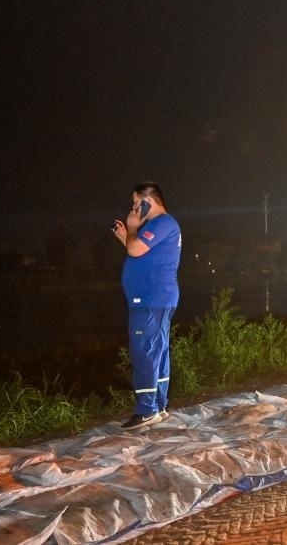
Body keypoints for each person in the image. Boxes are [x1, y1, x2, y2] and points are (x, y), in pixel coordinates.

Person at [112, 181, 182, 430]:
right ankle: (159, 407)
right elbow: (139, 252)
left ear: (148, 201)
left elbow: (134, 249)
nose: (133, 208)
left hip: (151, 299)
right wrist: (127, 237)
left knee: (144, 352)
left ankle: (146, 410)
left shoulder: (161, 223)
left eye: (135, 202)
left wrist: (132, 228)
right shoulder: (160, 226)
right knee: (157, 350)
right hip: (156, 298)